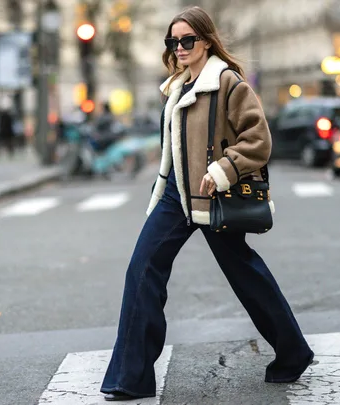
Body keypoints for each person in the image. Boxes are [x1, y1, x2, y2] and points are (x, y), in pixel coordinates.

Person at [100, 6, 314, 402]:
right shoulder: (178, 85)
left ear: (206, 40)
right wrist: (160, 189)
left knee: (245, 274)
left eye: (187, 40)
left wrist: (221, 172)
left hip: (213, 193)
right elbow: (173, 149)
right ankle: (130, 378)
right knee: (142, 271)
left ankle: (293, 352)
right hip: (175, 197)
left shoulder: (228, 83)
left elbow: (258, 140)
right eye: (173, 41)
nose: (179, 47)